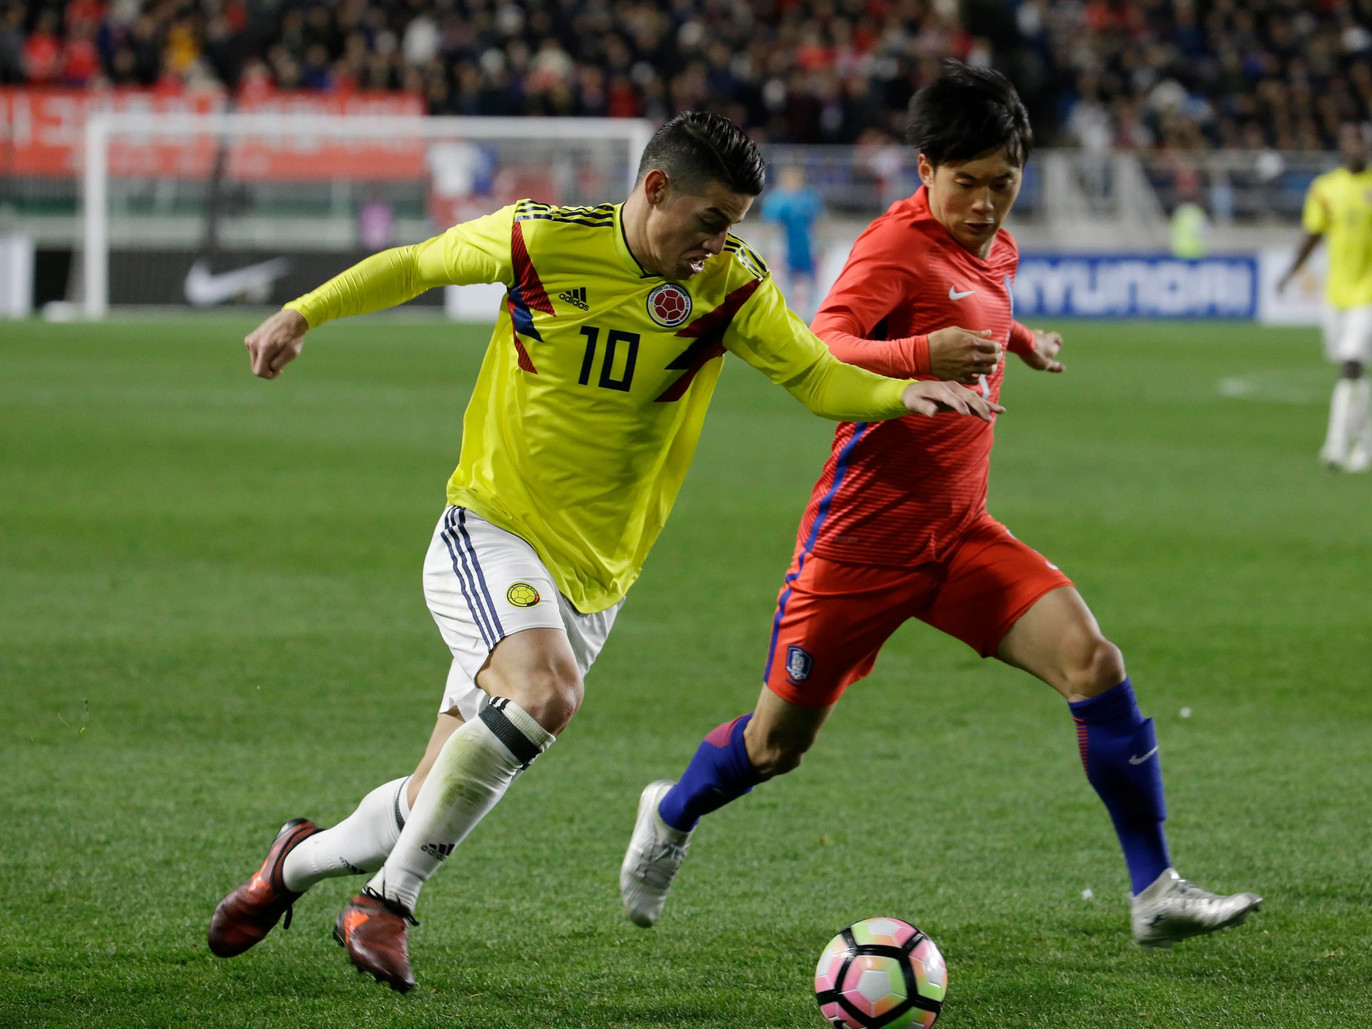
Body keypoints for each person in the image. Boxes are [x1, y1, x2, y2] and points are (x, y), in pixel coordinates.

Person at [206, 111, 999, 994]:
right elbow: (418, 262)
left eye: (733, 225)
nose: (719, 242)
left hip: (596, 576)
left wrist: (902, 393)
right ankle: (387, 904)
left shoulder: (731, 286)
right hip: (492, 527)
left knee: (425, 796)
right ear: (656, 188)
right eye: (710, 220)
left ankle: (287, 866)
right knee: (547, 692)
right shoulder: (541, 239)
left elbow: (813, 375)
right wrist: (303, 310)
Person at [620, 66, 1263, 951]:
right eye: (967, 183)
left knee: (1095, 664)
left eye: (1004, 182)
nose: (987, 203)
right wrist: (923, 352)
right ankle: (673, 808)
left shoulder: (997, 248)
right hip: (860, 543)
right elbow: (823, 342)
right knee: (774, 746)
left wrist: (1018, 340)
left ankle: (1154, 889)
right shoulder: (892, 248)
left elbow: (980, 303)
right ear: (926, 169)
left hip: (958, 534)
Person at [1277, 120, 1372, 473]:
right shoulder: (1325, 189)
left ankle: (1335, 446)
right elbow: (1313, 234)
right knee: (1355, 372)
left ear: (1369, 146)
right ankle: (1370, 445)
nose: (1355, 148)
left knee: (1351, 365)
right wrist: (1289, 273)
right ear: (1341, 146)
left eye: (1361, 142)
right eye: (1349, 142)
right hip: (1336, 294)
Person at [761, 164, 825, 318]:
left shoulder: (809, 197)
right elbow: (769, 225)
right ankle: (784, 312)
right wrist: (768, 247)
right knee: (784, 280)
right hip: (785, 246)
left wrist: (821, 243)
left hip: (806, 245)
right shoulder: (776, 199)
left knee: (811, 278)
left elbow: (818, 221)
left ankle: (812, 314)